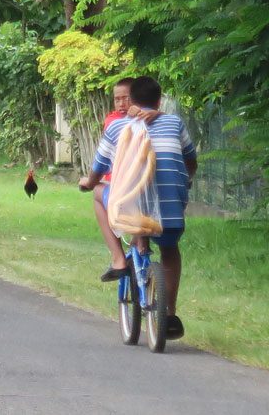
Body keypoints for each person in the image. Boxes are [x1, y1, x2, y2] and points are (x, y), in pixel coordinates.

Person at [79, 76, 197, 339]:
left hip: (132, 210)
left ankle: (119, 259)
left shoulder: (117, 127)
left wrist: (87, 182)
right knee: (169, 249)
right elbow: (191, 162)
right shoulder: (175, 123)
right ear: (159, 100)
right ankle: (169, 313)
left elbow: (97, 172)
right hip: (171, 209)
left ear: (130, 101)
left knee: (99, 196)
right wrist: (184, 183)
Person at [90, 78, 160, 272]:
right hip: (122, 182)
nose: (122, 104)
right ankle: (129, 249)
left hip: (134, 185)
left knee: (98, 194)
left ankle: (119, 257)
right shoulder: (113, 121)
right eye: (117, 100)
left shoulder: (148, 118)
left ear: (136, 99)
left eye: (126, 99)